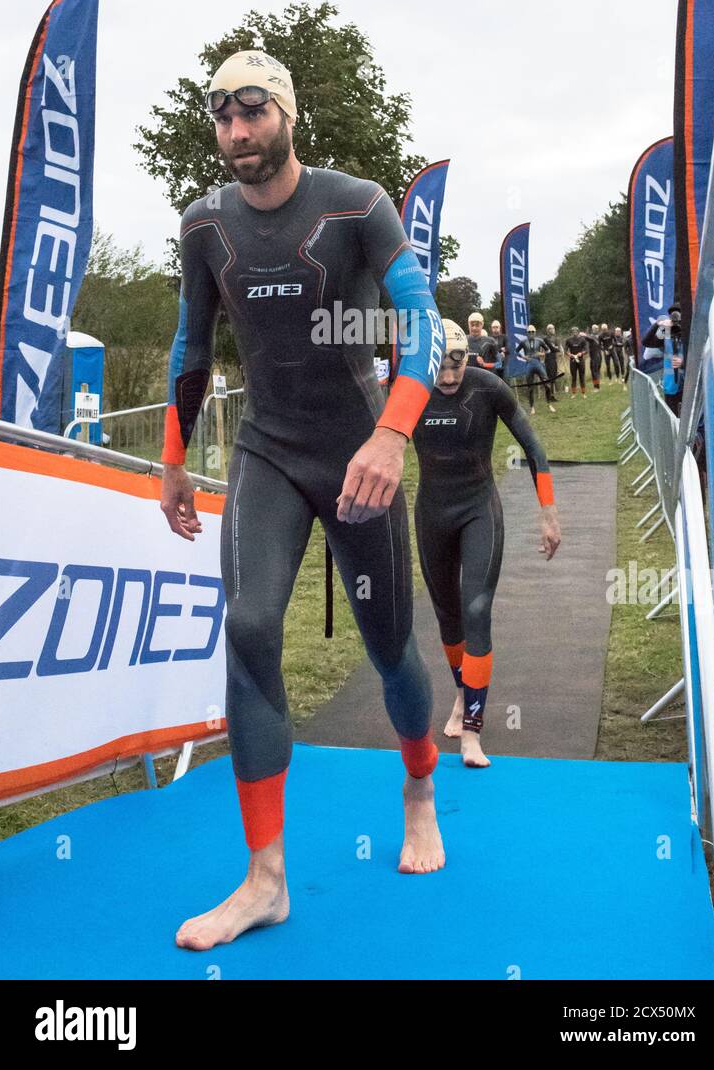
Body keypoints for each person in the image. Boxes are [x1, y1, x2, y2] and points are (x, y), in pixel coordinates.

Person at [160, 50, 447, 951]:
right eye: (222, 116)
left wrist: (394, 434)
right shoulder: (205, 224)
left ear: (284, 116)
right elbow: (188, 347)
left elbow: (421, 320)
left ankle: (418, 783)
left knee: (391, 648)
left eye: (252, 113)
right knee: (247, 627)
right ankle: (266, 879)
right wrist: (171, 461)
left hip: (359, 449)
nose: (236, 132)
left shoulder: (356, 203)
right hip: (267, 451)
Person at [412, 321, 561, 767]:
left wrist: (548, 512)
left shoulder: (488, 388)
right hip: (431, 513)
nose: (449, 378)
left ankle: (473, 731)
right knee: (447, 615)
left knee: (476, 609)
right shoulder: (409, 392)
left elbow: (533, 447)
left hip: (479, 510)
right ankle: (463, 694)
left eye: (456, 366)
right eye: (439, 369)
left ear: (467, 358)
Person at [642, 302, 685, 415]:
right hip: (671, 386)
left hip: (689, 387)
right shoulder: (667, 332)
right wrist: (658, 324)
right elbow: (646, 342)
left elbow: (700, 358)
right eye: (672, 316)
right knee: (673, 422)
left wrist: (683, 363)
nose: (675, 320)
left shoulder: (691, 332)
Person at [515, 324, 555, 413]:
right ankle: (532, 407)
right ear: (527, 333)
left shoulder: (539, 341)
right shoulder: (523, 342)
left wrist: (541, 354)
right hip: (529, 364)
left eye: (532, 332)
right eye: (529, 332)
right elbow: (516, 351)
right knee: (530, 387)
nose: (531, 333)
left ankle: (549, 404)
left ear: (535, 332)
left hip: (538, 363)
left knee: (547, 384)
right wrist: (522, 356)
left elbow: (548, 350)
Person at [564, 327, 588, 398]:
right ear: (571, 332)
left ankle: (583, 393)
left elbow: (586, 350)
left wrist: (581, 353)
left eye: (576, 331)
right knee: (573, 377)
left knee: (582, 377)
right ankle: (573, 393)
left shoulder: (582, 339)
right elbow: (565, 350)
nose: (574, 333)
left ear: (578, 332)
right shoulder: (568, 340)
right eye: (573, 331)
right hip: (573, 360)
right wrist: (569, 354)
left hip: (580, 360)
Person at [543, 323, 562, 401]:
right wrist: (555, 348)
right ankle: (548, 396)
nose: (553, 330)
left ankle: (552, 395)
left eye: (553, 328)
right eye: (551, 328)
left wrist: (557, 349)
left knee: (553, 378)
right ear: (548, 330)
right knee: (549, 378)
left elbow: (559, 348)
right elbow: (545, 349)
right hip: (548, 359)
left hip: (554, 359)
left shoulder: (556, 338)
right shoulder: (545, 339)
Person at [585, 324, 602, 391]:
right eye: (594, 328)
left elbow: (587, 337)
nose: (596, 329)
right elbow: (586, 338)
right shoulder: (594, 336)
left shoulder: (596, 336)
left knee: (595, 371)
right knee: (594, 371)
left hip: (596, 356)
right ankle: (596, 386)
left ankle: (597, 387)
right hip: (593, 356)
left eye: (596, 328)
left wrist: (586, 332)